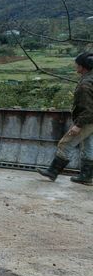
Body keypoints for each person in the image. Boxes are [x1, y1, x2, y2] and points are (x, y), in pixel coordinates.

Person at [37, 52, 93, 185]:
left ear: (83, 66)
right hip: (90, 120)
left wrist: (78, 125)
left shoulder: (85, 84)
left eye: (77, 64)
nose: (75, 66)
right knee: (89, 146)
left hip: (88, 120)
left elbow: (88, 109)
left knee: (65, 143)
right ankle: (87, 177)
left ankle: (52, 171)